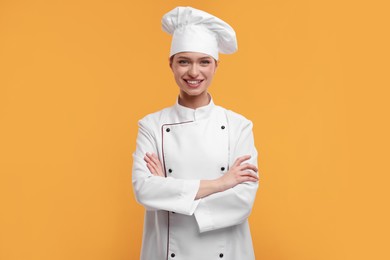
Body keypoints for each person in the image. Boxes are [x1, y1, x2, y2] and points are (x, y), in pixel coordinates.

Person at [132, 6, 260, 260]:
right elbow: (144, 190)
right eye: (183, 61)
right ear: (171, 64)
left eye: (204, 62)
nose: (193, 72)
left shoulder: (239, 126)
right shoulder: (151, 125)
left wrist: (168, 191)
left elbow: (242, 201)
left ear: (216, 66)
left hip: (228, 251)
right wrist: (221, 184)